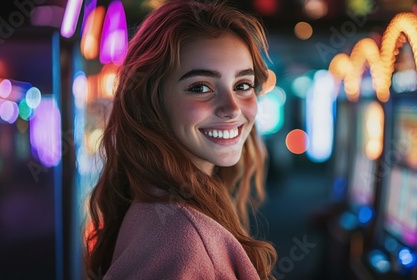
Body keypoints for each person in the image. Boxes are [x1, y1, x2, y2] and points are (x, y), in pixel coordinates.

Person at [85, 0, 277, 279]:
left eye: (242, 85)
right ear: (151, 101)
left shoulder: (157, 204)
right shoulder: (184, 240)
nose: (233, 108)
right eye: (201, 87)